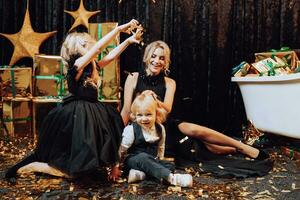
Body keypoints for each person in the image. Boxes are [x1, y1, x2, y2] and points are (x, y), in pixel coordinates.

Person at [5, 19, 143, 179]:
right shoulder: (76, 66)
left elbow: (111, 56)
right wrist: (118, 30)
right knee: (73, 173)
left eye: (89, 44)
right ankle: (37, 166)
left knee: (95, 151)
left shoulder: (92, 66)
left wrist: (128, 41)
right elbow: (99, 49)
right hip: (77, 114)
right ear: (75, 48)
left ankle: (96, 165)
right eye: (85, 45)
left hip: (93, 111)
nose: (91, 46)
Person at [121, 40, 272, 178]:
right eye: (154, 56)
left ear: (165, 62)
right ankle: (233, 149)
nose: (157, 61)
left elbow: (167, 109)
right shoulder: (133, 77)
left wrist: (153, 99)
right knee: (202, 149)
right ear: (147, 57)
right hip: (145, 126)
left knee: (194, 131)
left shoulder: (169, 82)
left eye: (162, 58)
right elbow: (127, 110)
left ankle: (241, 146)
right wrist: (117, 134)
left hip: (166, 124)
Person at [117, 91, 193, 187]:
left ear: (156, 113)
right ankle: (172, 179)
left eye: (148, 114)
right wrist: (116, 166)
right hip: (134, 160)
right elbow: (121, 149)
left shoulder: (160, 128)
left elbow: (161, 147)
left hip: (151, 161)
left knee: (170, 165)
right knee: (143, 157)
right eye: (139, 115)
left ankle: (141, 175)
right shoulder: (132, 129)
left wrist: (159, 161)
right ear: (135, 115)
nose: (144, 119)